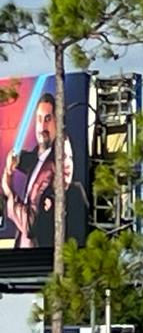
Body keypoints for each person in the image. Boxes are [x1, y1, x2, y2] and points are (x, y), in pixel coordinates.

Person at [1, 92, 75, 249]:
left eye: (47, 119)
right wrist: (15, 160)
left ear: (58, 122)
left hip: (38, 259)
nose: (42, 127)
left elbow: (29, 226)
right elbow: (33, 159)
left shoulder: (57, 164)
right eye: (39, 120)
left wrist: (9, 193)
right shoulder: (41, 156)